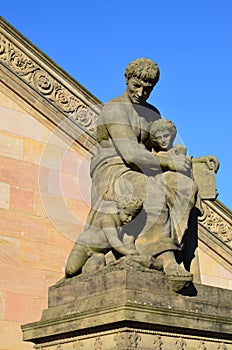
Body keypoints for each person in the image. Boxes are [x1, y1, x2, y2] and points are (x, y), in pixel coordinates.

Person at [67, 58, 199, 291]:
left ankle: (170, 249)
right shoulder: (114, 109)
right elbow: (130, 154)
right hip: (113, 169)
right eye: (135, 86)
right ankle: (166, 259)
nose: (140, 93)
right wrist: (170, 162)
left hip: (148, 168)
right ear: (127, 80)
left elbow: (163, 148)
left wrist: (194, 163)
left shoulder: (152, 113)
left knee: (185, 188)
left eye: (147, 89)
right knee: (149, 189)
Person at [65, 195, 143, 277]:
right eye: (128, 214)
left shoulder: (124, 227)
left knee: (97, 264)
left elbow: (127, 243)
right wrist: (127, 252)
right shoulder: (107, 220)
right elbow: (113, 241)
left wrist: (132, 254)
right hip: (84, 247)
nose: (130, 219)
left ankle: (92, 262)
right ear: (120, 209)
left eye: (133, 217)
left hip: (99, 252)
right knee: (71, 271)